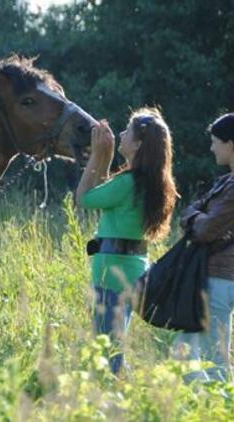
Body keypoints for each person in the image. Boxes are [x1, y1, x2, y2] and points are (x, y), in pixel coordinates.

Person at [76, 108, 178, 374]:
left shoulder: (129, 182)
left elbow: (85, 198)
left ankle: (124, 405)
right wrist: (106, 156)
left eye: (127, 131)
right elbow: (103, 194)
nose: (121, 134)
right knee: (114, 343)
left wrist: (98, 156)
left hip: (112, 273)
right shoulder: (153, 181)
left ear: (138, 144)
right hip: (135, 270)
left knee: (110, 352)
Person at [175, 112, 234, 383]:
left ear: (230, 144)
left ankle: (220, 409)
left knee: (213, 359)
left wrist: (191, 215)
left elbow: (206, 229)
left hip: (220, 278)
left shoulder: (232, 186)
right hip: (217, 277)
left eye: (215, 141)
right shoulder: (225, 182)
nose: (211, 148)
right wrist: (197, 214)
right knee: (186, 354)